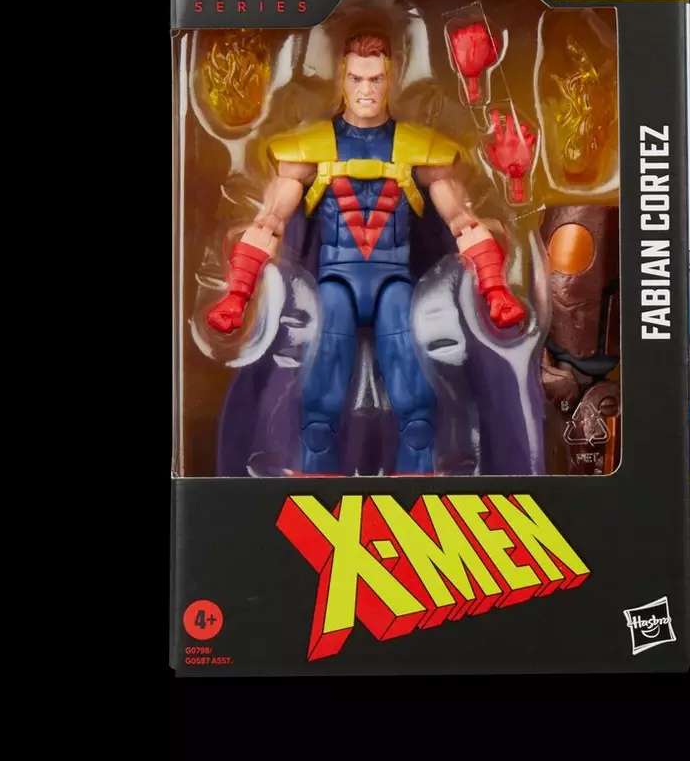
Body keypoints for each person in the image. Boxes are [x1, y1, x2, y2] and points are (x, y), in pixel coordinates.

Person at [207, 33, 525, 474]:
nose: (366, 90)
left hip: (394, 282)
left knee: (416, 403)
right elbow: (268, 222)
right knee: (319, 403)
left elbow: (464, 222)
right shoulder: (309, 148)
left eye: (375, 79)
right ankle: (318, 490)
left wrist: (495, 291)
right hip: (335, 282)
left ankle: (415, 488)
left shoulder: (419, 149)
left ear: (391, 80)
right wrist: (237, 297)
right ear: (342, 78)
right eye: (357, 78)